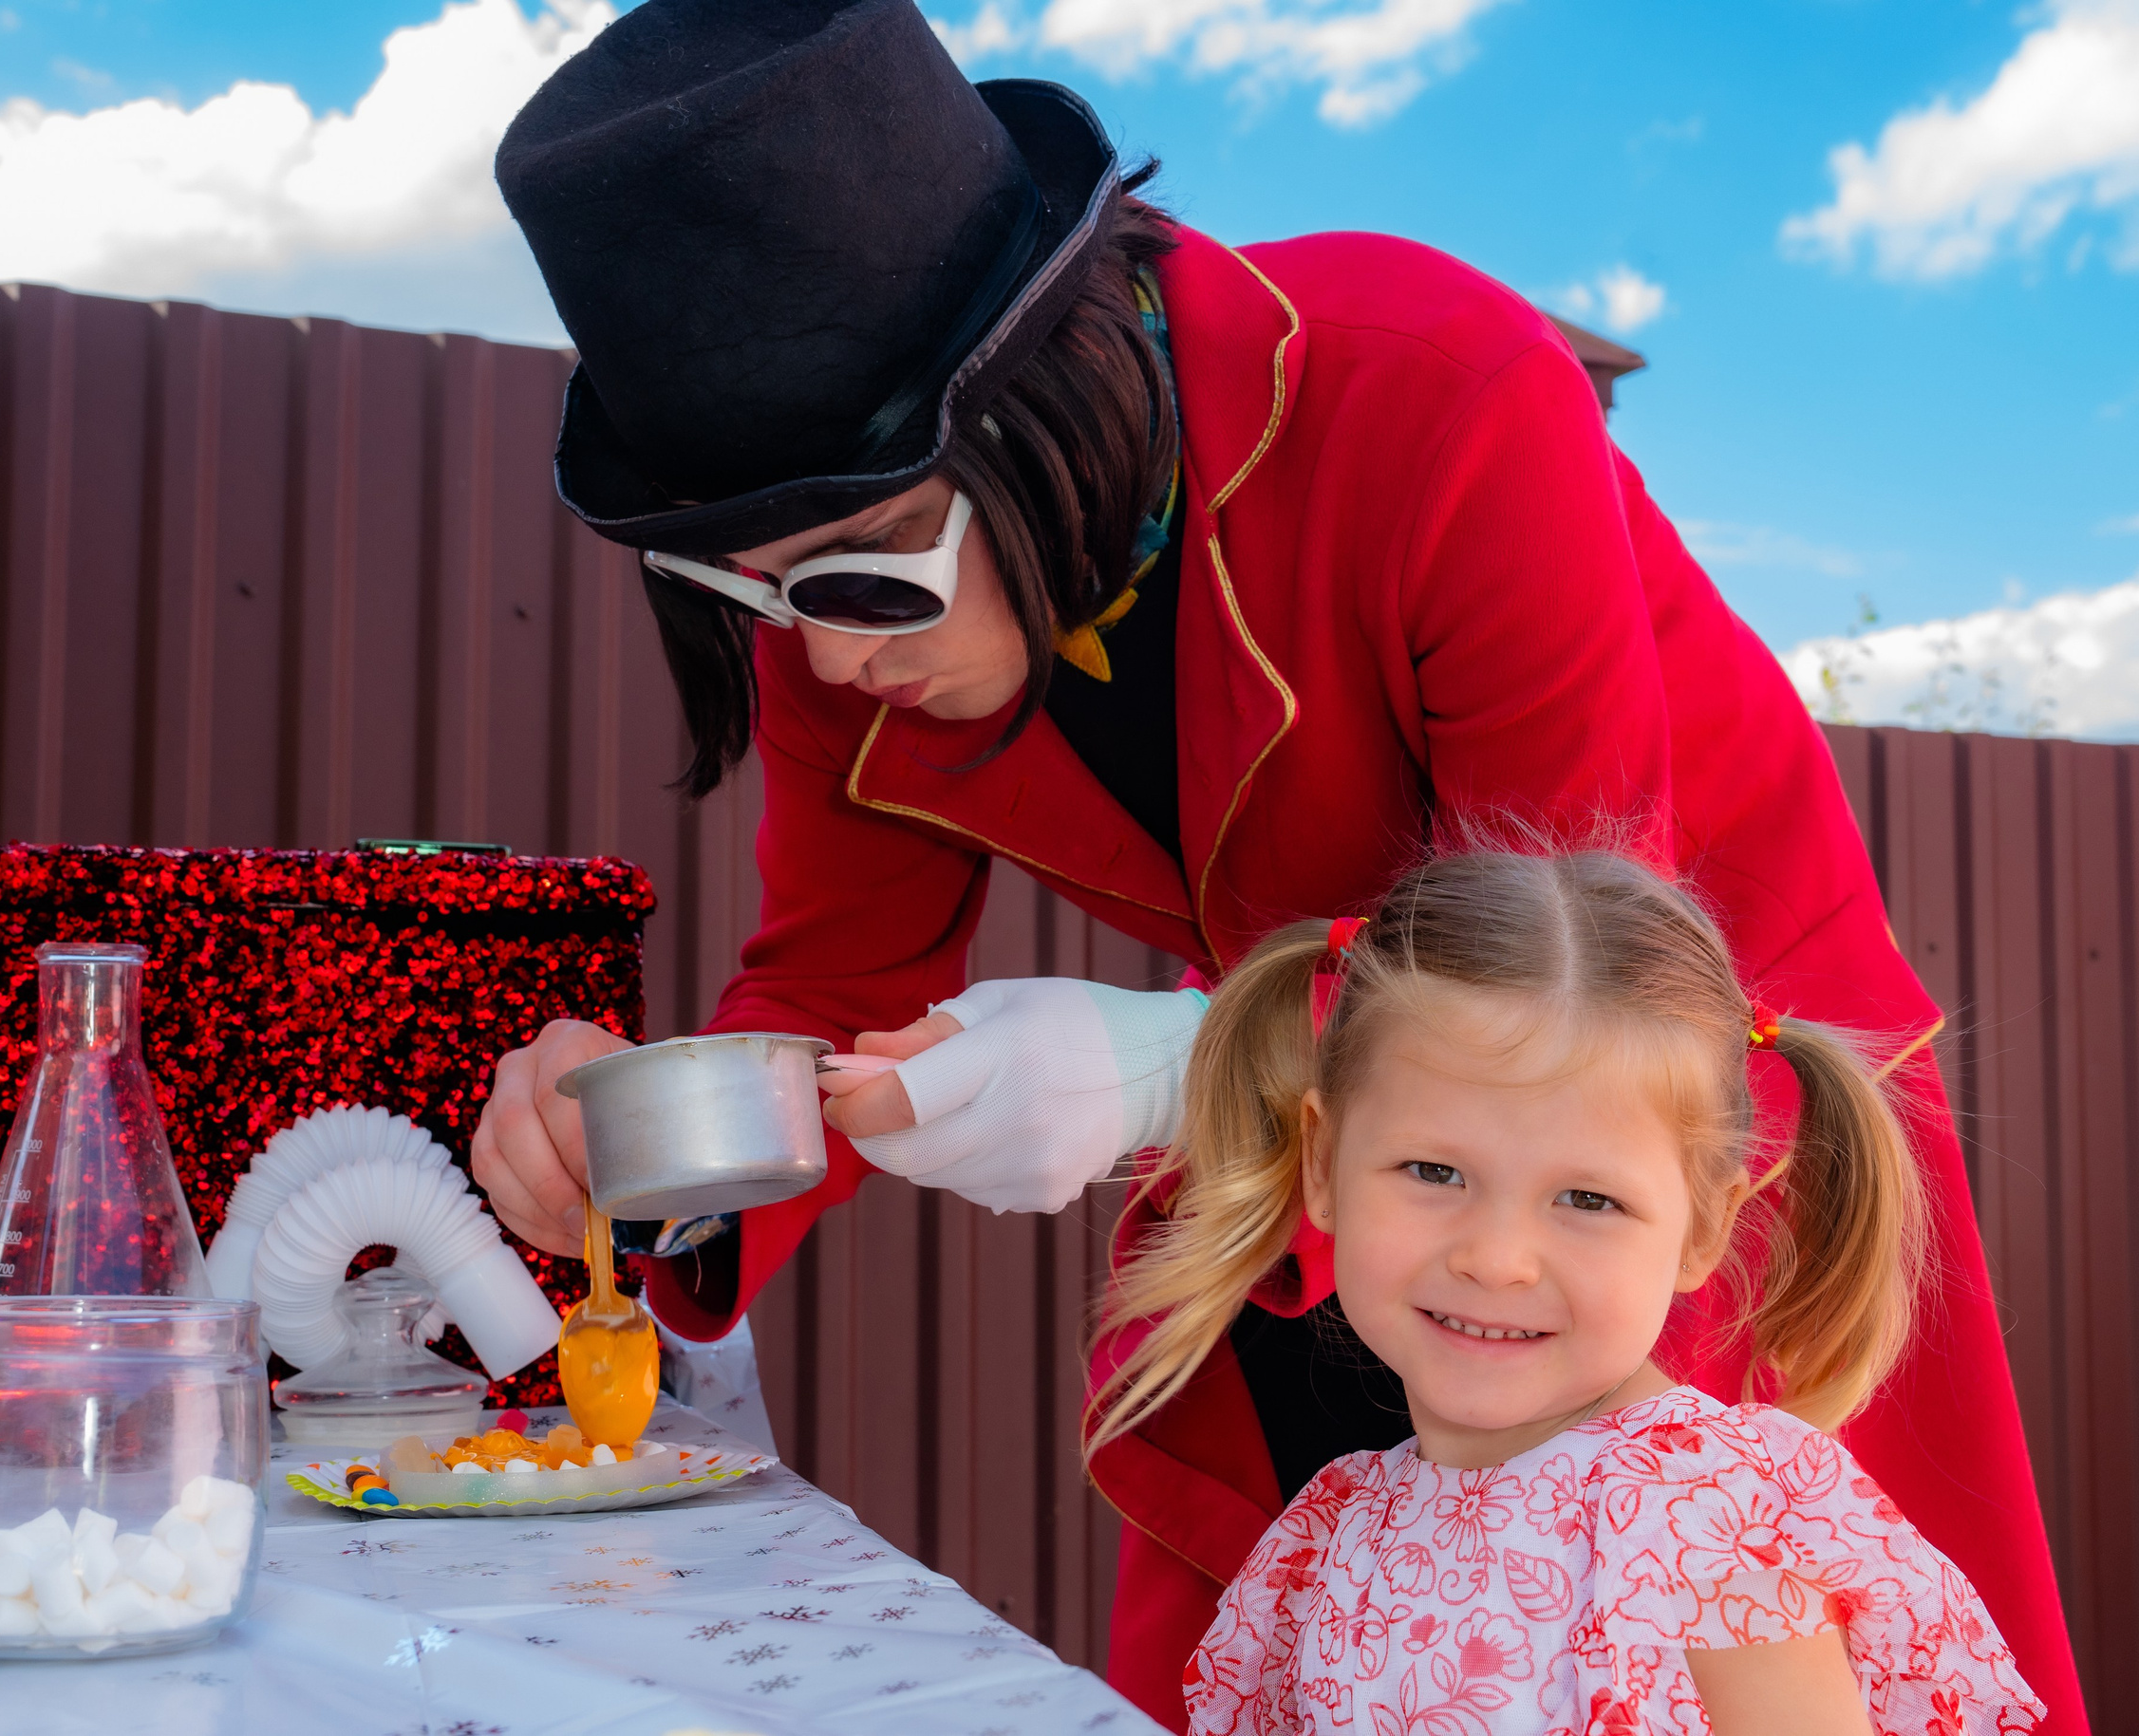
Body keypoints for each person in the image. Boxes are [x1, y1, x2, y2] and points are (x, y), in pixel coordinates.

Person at [473, 2, 2081, 1727]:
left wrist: (1172, 1059)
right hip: (1339, 1126)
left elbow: (1571, 952)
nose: (829, 658)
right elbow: (835, 989)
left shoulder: (1440, 388)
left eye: (862, 579)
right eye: (748, 594)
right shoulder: (839, 608)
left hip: (1660, 1078)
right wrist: (645, 1146)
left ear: (1045, 400)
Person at [1133, 849, 2040, 1735]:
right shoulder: (1338, 1533)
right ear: (1324, 1163)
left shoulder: (1704, 1526)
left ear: (1706, 1225)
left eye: (1587, 1198)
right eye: (1434, 1170)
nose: (1498, 1258)